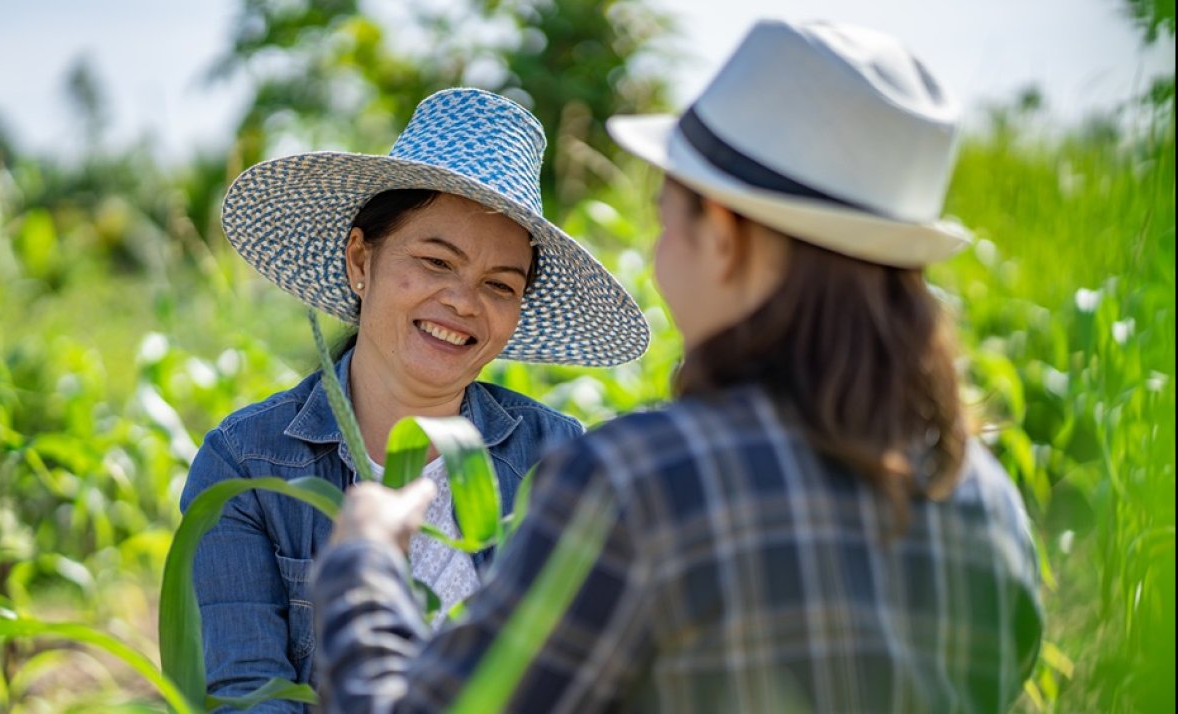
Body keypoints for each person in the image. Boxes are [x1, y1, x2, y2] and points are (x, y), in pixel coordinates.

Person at [313, 19, 1044, 713]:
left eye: (667, 221)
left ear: (721, 235)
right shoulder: (985, 502)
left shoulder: (639, 487)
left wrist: (364, 567)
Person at [181, 88, 649, 708]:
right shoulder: (248, 464)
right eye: (434, 262)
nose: (463, 301)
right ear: (360, 260)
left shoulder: (559, 458)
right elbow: (247, 692)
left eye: (499, 285)